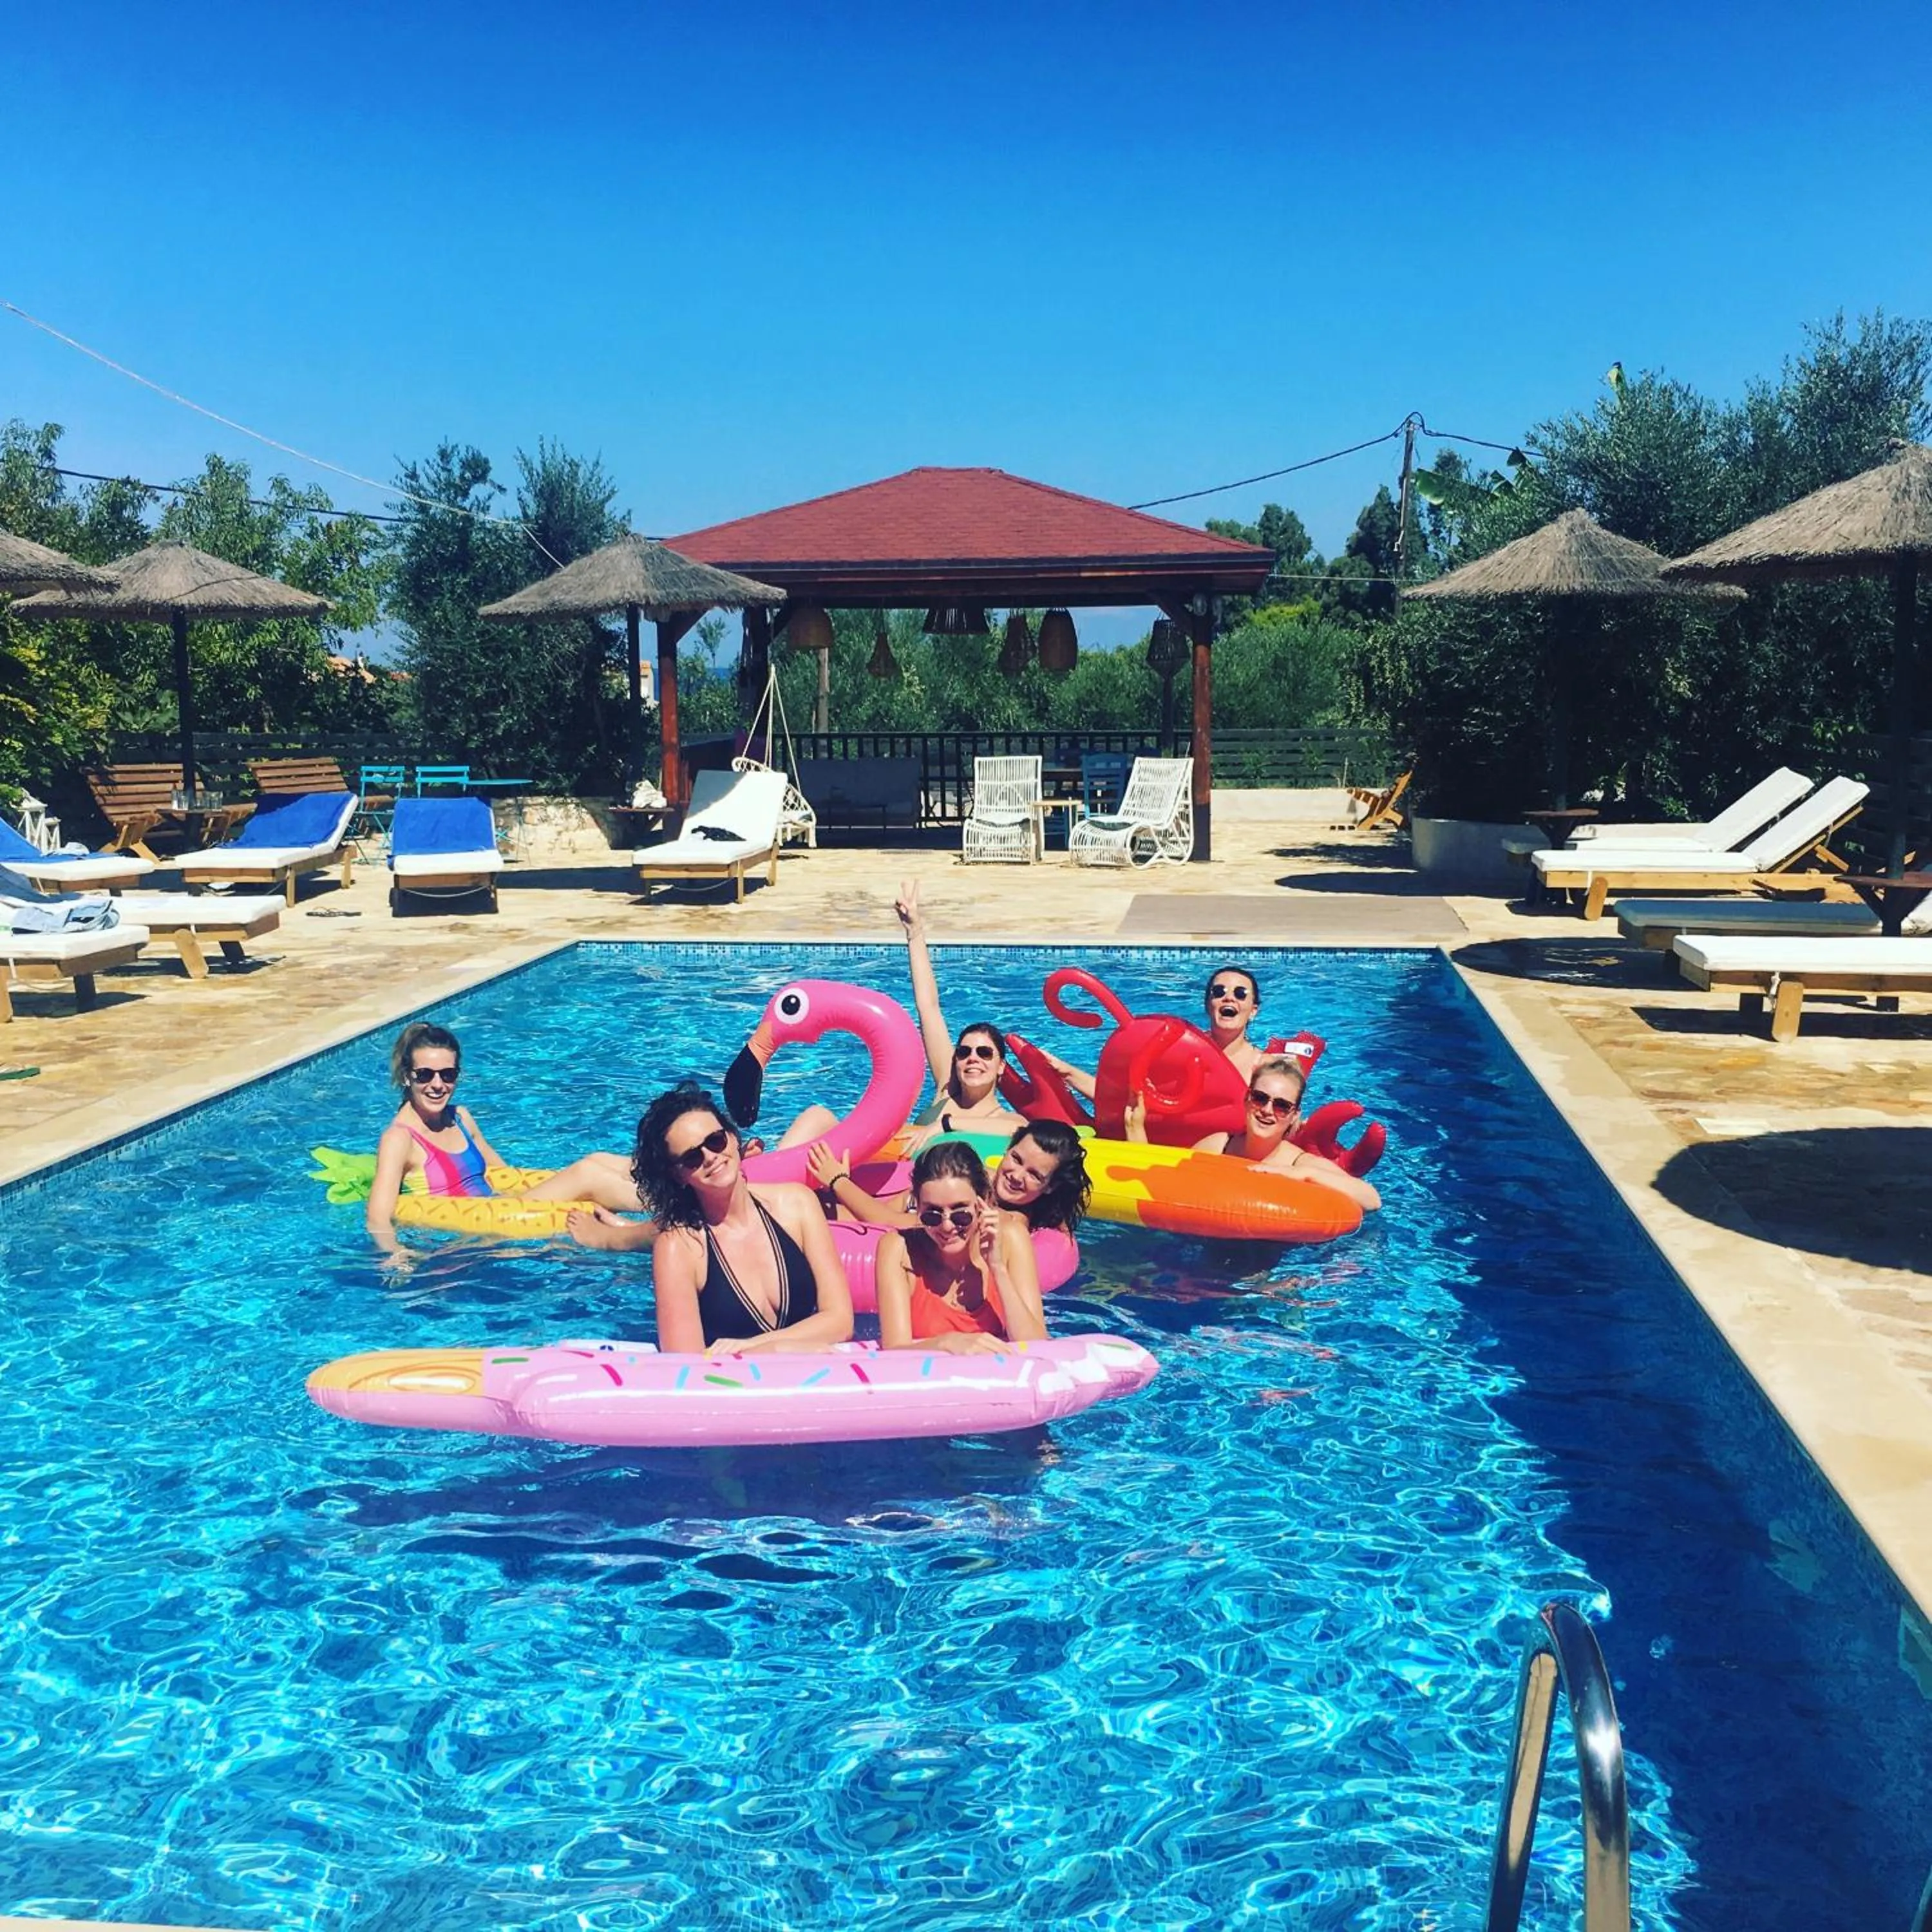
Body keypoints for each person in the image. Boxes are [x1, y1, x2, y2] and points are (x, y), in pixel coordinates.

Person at [366, 1023, 653, 1260]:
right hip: (471, 1234)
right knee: (587, 1173)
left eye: (448, 1074)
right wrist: (396, 1255)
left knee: (598, 1160)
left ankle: (671, 1178)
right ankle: (674, 1206)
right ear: (407, 1077)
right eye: (425, 1075)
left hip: (503, 1209)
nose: (438, 1085)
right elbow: (378, 1217)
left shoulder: (460, 1118)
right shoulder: (400, 1138)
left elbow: (503, 1175)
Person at [632, 1083, 854, 1354]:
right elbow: (684, 1362)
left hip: (809, 1379)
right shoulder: (680, 1247)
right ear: (678, 1175)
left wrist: (757, 1348)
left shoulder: (797, 1204)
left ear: (734, 1138)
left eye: (715, 1141)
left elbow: (841, 1321)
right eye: (692, 1157)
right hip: (735, 1390)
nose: (710, 1157)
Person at [1126, 1052, 1380, 1213]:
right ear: (1247, 1100)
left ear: (1294, 1115)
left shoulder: (1298, 1162)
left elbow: (1371, 1200)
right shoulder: (1218, 1146)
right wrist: (1135, 1127)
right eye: (1260, 1098)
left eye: (1282, 1105)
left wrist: (1303, 1174)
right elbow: (1161, 1182)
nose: (1268, 1110)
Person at [873, 1141, 1048, 1356]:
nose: (947, 1226)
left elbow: (1036, 1346)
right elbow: (894, 1350)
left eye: (960, 1214)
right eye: (932, 1214)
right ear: (917, 1207)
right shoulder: (898, 1249)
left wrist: (997, 1267)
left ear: (983, 1202)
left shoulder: (1012, 1238)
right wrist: (947, 1343)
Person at [806, 1117, 1091, 1236]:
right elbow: (889, 1209)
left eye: (1034, 1175)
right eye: (1016, 1159)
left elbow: (893, 1224)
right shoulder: (982, 1177)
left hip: (890, 1230)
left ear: (1051, 1186)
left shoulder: (1006, 1220)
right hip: (887, 1212)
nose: (1016, 1176)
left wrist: (839, 1181)